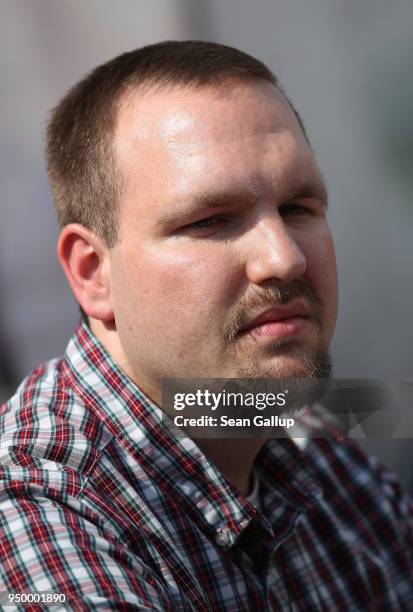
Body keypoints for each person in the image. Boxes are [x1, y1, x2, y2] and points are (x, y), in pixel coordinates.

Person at [0, 41, 411, 611]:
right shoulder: (37, 514)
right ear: (94, 274)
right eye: (211, 220)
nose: (284, 258)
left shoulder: (314, 451)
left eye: (298, 207)